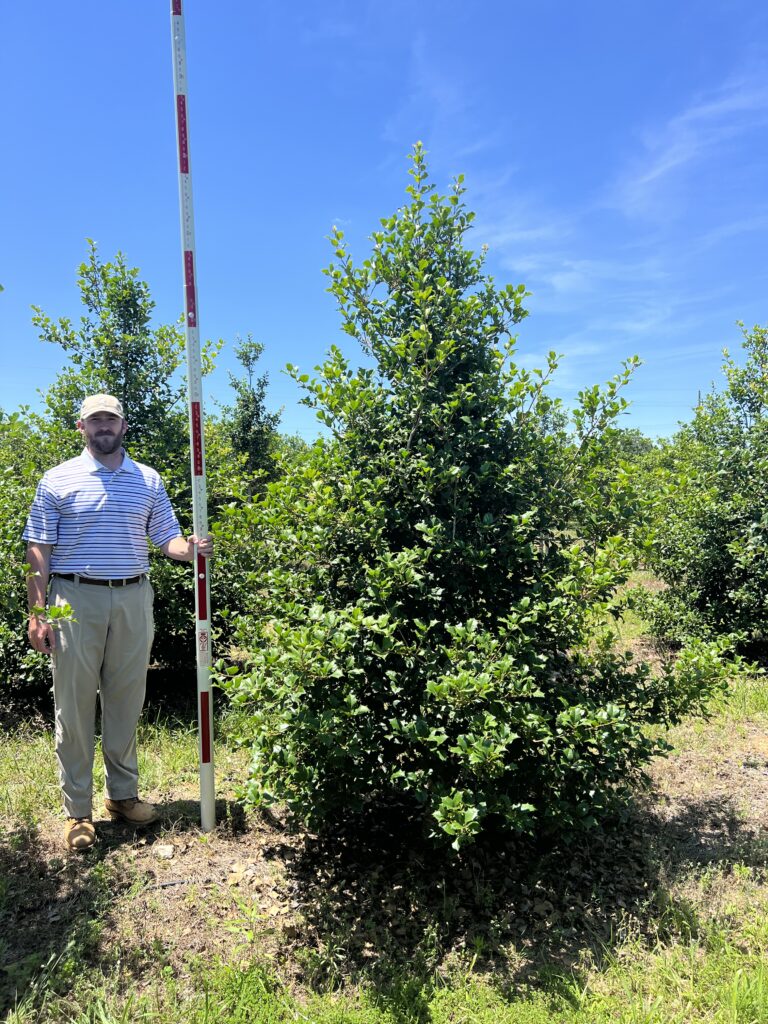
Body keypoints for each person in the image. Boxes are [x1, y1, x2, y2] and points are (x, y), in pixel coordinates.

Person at [24, 394, 214, 852]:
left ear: (123, 425)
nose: (103, 426)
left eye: (110, 419)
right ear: (81, 427)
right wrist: (37, 613)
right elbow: (37, 549)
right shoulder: (58, 479)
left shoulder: (147, 479)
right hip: (75, 599)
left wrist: (189, 549)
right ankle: (78, 812)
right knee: (73, 707)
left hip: (133, 596)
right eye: (95, 420)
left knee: (127, 700)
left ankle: (123, 797)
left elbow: (165, 537)